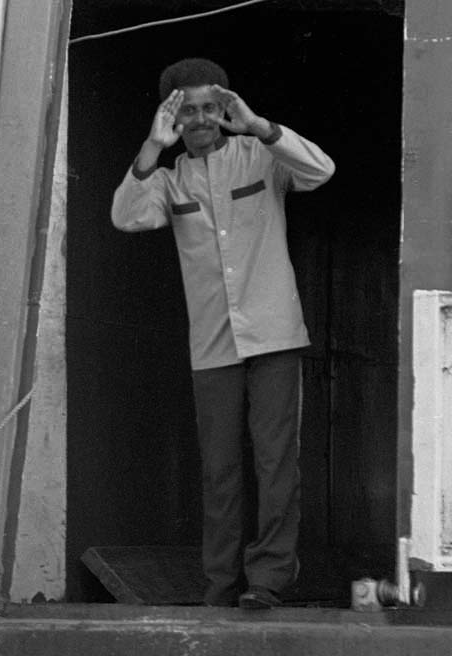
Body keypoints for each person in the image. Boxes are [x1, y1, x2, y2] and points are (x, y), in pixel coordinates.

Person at [111, 58, 335, 608]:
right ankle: (220, 585)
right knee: (219, 469)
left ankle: (268, 581)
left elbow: (320, 171)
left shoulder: (261, 155)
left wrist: (258, 124)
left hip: (275, 335)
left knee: (276, 460)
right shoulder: (168, 179)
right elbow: (126, 216)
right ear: (173, 117)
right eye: (188, 110)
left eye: (211, 106)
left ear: (226, 106)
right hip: (213, 344)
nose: (202, 118)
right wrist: (151, 146)